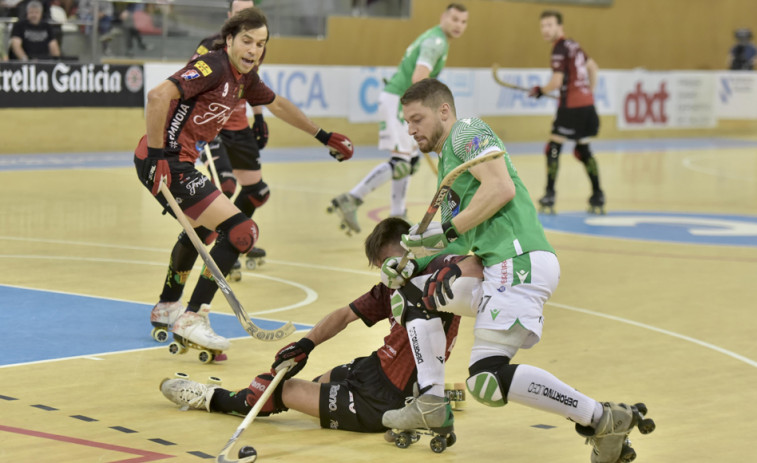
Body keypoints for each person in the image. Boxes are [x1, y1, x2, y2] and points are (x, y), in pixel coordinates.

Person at [379, 78, 655, 463]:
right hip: (497, 268)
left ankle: (603, 418)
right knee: (410, 289)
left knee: (486, 380)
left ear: (444, 110)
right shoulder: (448, 162)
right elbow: (456, 243)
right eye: (406, 122)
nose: (410, 129)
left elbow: (501, 189)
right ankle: (430, 401)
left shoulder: (467, 131)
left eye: (417, 119)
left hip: (519, 261)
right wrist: (410, 264)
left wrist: (447, 229)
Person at [135, 7, 354, 356]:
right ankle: (191, 317)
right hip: (166, 163)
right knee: (242, 232)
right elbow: (158, 96)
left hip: (178, 163)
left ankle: (168, 306)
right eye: (247, 41)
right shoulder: (214, 65)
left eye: (261, 44)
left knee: (204, 230)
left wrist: (323, 135)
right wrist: (160, 155)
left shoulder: (245, 78)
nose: (253, 50)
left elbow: (279, 104)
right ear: (230, 40)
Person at [158, 217, 479, 434]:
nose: (384, 272)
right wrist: (306, 344)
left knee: (281, 389)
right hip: (373, 370)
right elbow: (344, 315)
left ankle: (213, 398)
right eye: (380, 267)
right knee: (319, 379)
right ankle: (431, 394)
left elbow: (472, 262)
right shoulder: (392, 285)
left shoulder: (438, 276)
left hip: (381, 401)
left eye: (387, 262)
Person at [328, 3, 468, 235]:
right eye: (454, 19)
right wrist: (426, 116)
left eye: (463, 22)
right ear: (443, 17)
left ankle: (397, 216)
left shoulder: (436, 39)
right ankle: (352, 198)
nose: (458, 25)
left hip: (403, 102)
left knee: (408, 163)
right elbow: (419, 77)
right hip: (399, 103)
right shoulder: (436, 42)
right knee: (402, 163)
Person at [191, 0, 269, 278]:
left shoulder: (256, 47)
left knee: (258, 191)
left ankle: (232, 239)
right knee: (224, 186)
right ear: (230, 19)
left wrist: (259, 117)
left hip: (239, 127)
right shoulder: (210, 46)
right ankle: (210, 243)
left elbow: (254, 82)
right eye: (239, 14)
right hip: (214, 128)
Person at [528, 10, 604, 215]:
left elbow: (556, 82)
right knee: (584, 149)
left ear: (560, 27)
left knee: (553, 147)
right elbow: (593, 68)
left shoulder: (560, 48)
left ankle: (550, 194)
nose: (546, 30)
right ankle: (598, 194)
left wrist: (540, 91)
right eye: (543, 26)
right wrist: (589, 93)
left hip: (570, 108)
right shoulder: (574, 45)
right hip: (588, 107)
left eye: (550, 25)